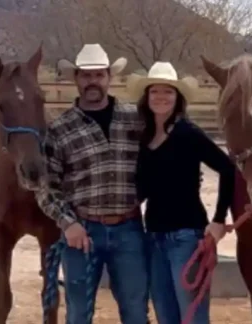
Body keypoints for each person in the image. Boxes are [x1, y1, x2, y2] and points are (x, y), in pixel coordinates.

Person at [36, 43, 149, 324]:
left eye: (98, 75)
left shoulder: (135, 120)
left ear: (110, 76)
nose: (92, 82)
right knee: (78, 312)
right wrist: (67, 222)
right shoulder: (60, 129)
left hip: (129, 228)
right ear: (76, 79)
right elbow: (46, 186)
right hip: (82, 230)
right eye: (86, 76)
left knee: (136, 309)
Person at [126, 62, 236, 324]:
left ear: (178, 98)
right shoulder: (144, 137)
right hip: (153, 235)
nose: (161, 97)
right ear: (147, 96)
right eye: (155, 92)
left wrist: (219, 219)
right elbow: (143, 188)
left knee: (191, 315)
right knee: (166, 314)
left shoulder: (189, 134)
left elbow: (228, 169)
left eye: (168, 92)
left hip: (186, 237)